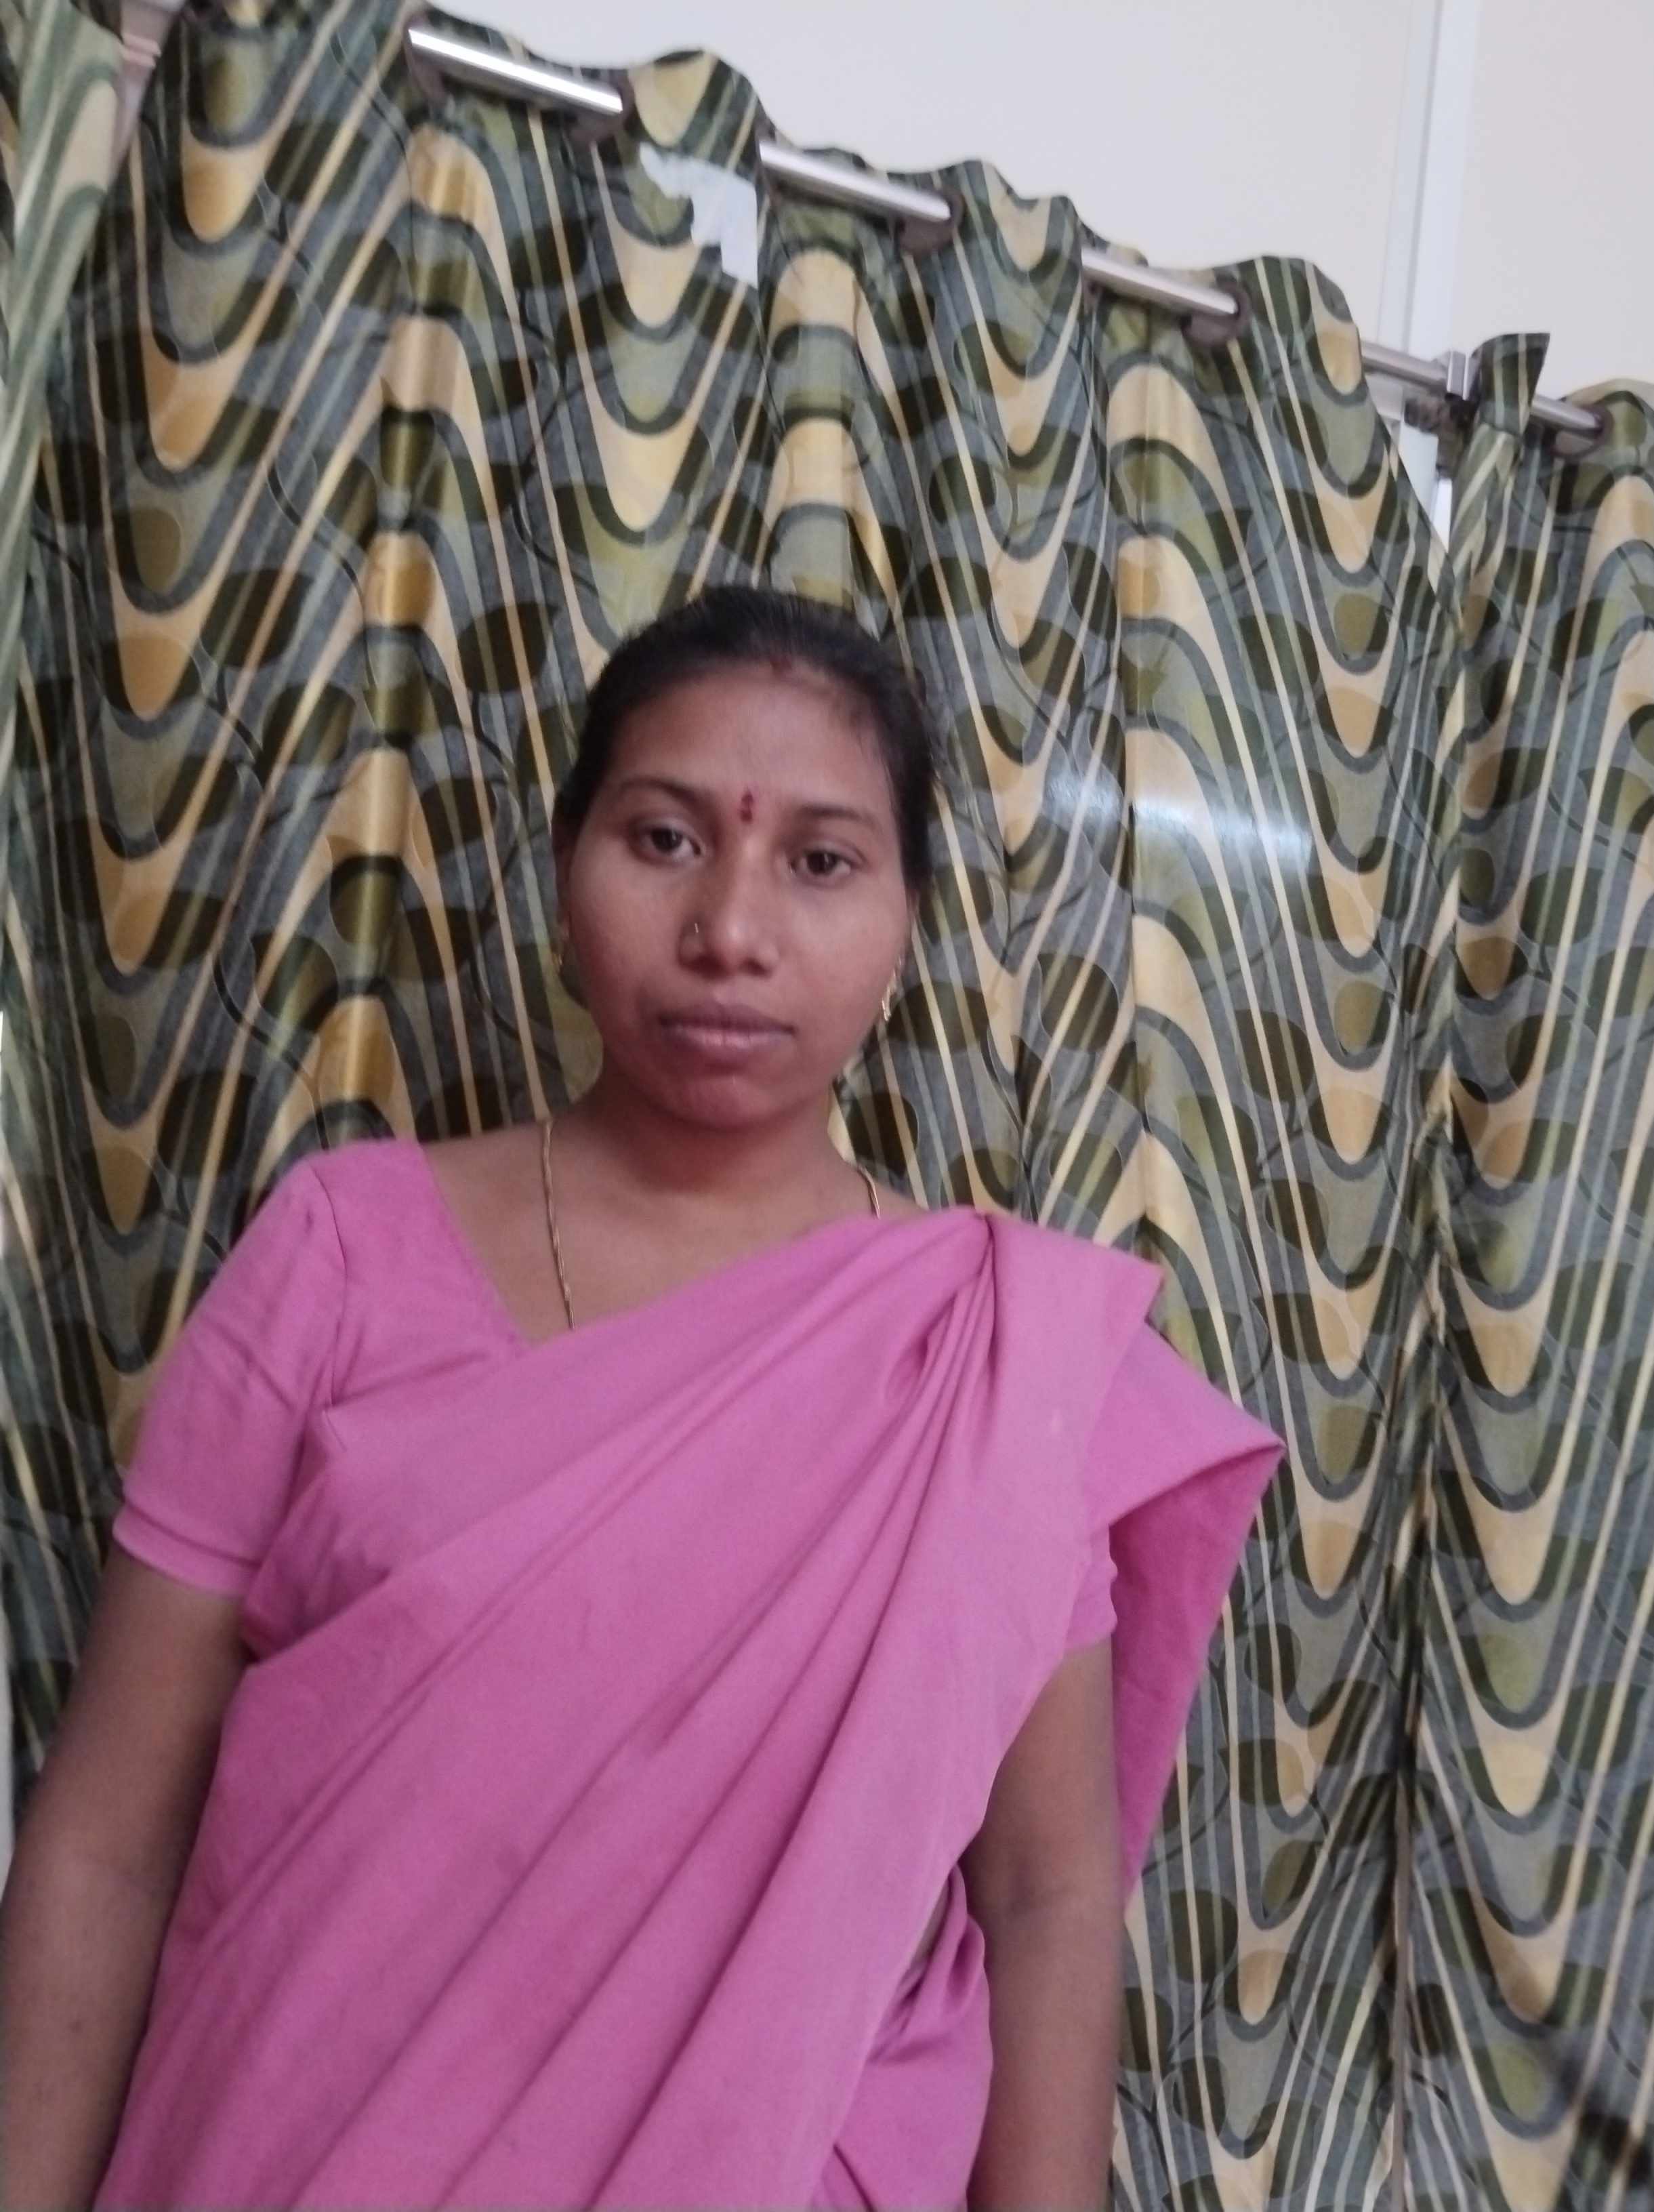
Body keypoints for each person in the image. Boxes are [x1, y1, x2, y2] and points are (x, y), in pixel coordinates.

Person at [0, 586, 1282, 2211]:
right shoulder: (341, 1254)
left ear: (909, 916)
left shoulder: (993, 1356)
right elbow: (109, 1841)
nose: (731, 930)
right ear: (564, 866)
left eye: (821, 862)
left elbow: (1044, 1900)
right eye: (664, 839)